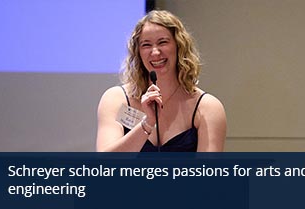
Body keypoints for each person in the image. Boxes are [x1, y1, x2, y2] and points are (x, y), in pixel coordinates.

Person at [96, 10, 226, 152]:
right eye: (146, 45)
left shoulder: (207, 107)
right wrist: (147, 124)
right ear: (138, 52)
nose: (155, 52)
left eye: (163, 42)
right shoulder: (116, 99)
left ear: (179, 46)